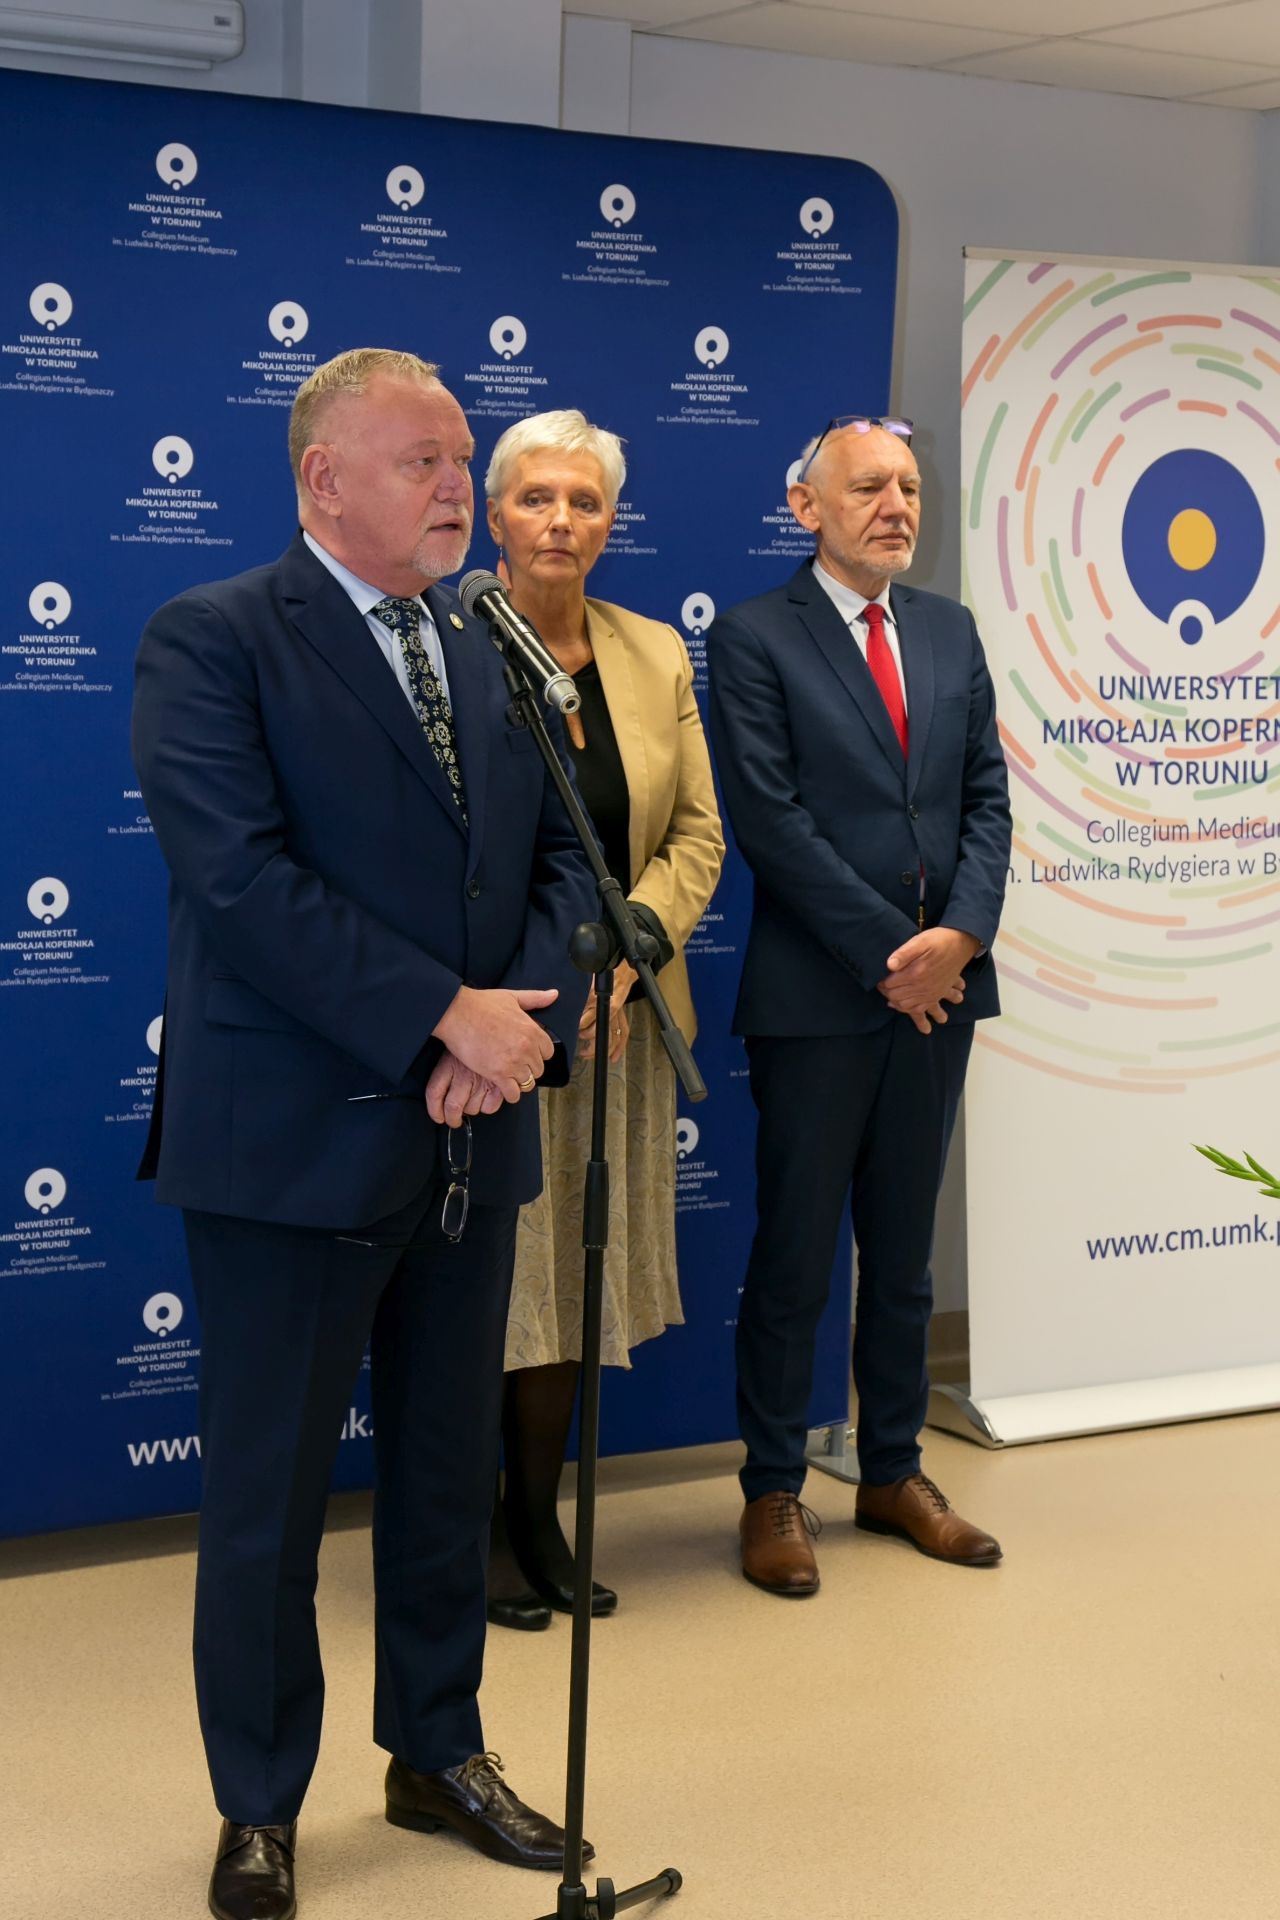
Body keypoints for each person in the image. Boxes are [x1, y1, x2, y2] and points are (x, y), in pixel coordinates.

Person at [132, 349, 599, 1920]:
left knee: (447, 1467)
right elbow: (239, 881)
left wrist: (515, 1025)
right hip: (292, 1146)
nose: (461, 488)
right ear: (325, 480)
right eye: (425, 462)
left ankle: (437, 1750)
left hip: (469, 1135)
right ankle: (259, 1803)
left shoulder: (489, 640)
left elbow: (567, 864)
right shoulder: (213, 638)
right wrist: (442, 1018)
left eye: (463, 459)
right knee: (268, 1500)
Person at [706, 413, 1012, 1598]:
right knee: (794, 1254)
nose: (896, 507)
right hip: (822, 998)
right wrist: (898, 955)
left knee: (900, 1253)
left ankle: (892, 1471)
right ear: (806, 507)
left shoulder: (948, 630)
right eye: (869, 487)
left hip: (941, 994)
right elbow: (769, 822)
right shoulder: (752, 638)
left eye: (909, 489)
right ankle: (772, 1489)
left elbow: (984, 799)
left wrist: (960, 939)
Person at [479, 410, 724, 1630]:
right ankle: (472, 1527)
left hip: (619, 1018)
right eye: (536, 497)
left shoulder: (651, 651)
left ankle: (536, 1520)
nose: (560, 520)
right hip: (500, 1024)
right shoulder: (455, 642)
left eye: (583, 501)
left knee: (573, 1279)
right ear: (493, 514)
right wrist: (551, 979)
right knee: (496, 1285)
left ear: (611, 522)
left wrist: (626, 961)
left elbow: (696, 836)